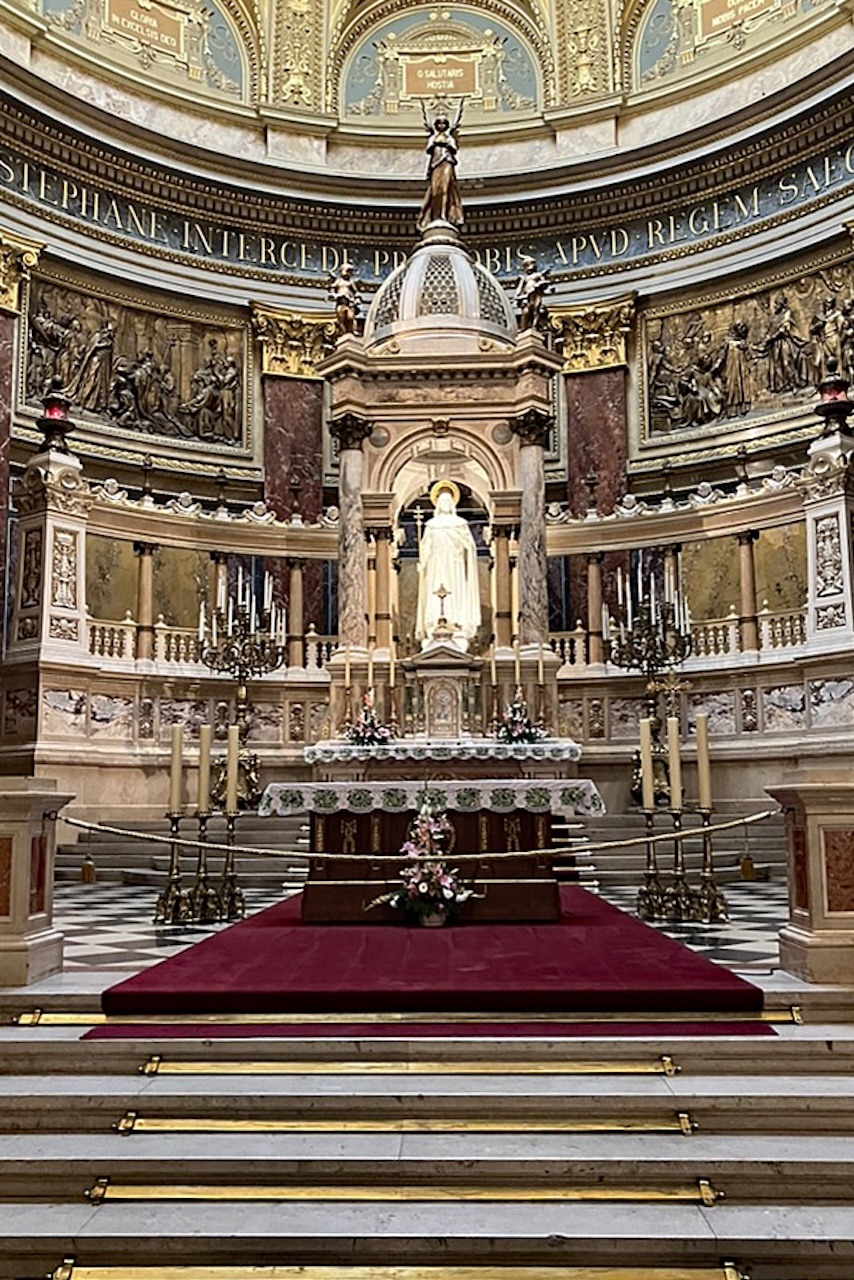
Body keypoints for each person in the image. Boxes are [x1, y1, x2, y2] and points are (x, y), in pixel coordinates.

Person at [415, 480, 481, 651]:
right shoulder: (430, 525)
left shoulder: (460, 523)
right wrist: (423, 562)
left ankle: (455, 623)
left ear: (452, 503)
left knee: (455, 593)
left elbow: (470, 547)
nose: (445, 504)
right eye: (442, 501)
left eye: (448, 501)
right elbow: (425, 547)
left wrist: (466, 547)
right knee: (433, 591)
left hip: (454, 564)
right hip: (436, 564)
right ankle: (434, 624)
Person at [417, 102, 464, 231]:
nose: (442, 126)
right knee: (435, 190)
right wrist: (436, 140)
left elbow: (454, 149)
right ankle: (435, 215)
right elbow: (428, 149)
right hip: (436, 163)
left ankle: (444, 215)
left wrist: (447, 141)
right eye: (439, 123)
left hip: (447, 162)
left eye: (444, 123)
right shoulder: (433, 137)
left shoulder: (449, 138)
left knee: (445, 189)